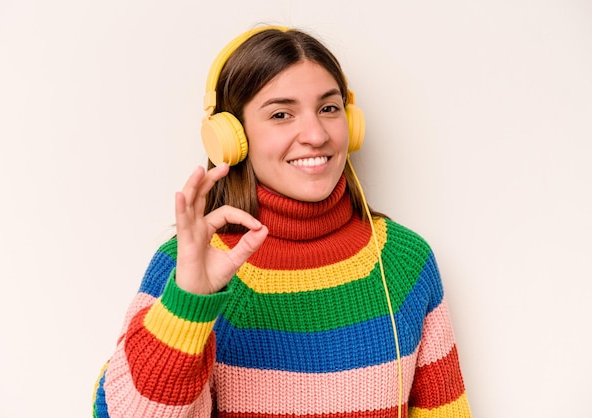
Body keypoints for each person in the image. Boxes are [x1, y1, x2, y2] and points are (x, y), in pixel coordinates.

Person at [92, 25, 472, 418]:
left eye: (329, 108)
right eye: (281, 114)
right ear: (232, 137)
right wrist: (189, 302)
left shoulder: (404, 261)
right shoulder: (190, 266)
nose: (316, 134)